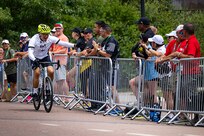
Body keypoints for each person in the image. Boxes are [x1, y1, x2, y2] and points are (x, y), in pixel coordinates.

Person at [28, 24, 74, 97]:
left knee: (51, 71)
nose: (46, 36)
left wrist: (74, 45)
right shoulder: (34, 39)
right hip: (35, 57)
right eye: (44, 34)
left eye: (47, 34)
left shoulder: (50, 38)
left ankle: (47, 86)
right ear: (40, 34)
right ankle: (35, 91)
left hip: (45, 56)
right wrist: (34, 59)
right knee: (37, 73)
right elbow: (30, 52)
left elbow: (63, 43)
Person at [92, 24, 120, 105]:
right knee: (109, 86)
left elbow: (108, 54)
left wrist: (97, 49)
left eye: (101, 30)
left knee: (112, 87)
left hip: (112, 66)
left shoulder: (112, 40)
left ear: (106, 31)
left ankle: (118, 106)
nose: (100, 32)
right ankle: (112, 105)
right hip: (105, 66)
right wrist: (97, 49)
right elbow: (102, 51)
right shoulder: (105, 40)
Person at [49, 23, 70, 100]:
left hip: (61, 61)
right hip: (56, 61)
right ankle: (61, 97)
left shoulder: (64, 38)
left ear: (62, 29)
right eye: (56, 28)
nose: (57, 30)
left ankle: (66, 98)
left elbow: (64, 50)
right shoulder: (56, 38)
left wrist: (54, 53)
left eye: (59, 28)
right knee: (58, 80)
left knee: (62, 80)